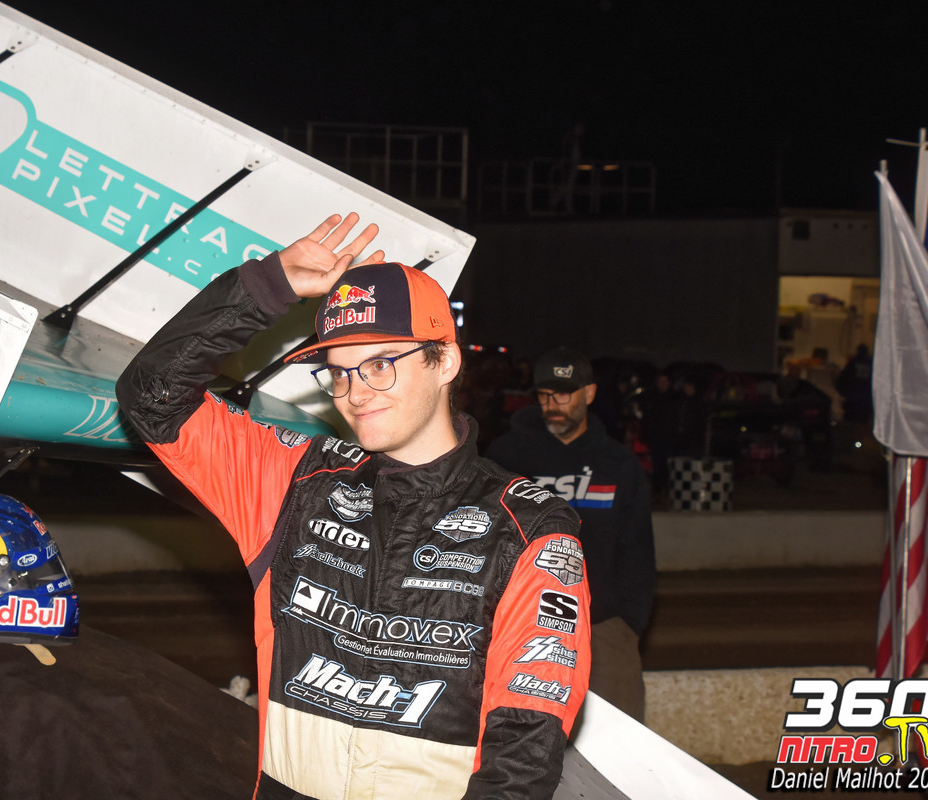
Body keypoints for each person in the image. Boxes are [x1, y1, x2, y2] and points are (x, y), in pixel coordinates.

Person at [117, 213, 590, 799]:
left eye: (380, 364)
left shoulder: (530, 529)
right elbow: (152, 395)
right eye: (338, 373)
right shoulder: (295, 480)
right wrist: (266, 286)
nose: (355, 392)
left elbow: (522, 750)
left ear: (445, 361)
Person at [486, 346, 655, 722]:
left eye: (563, 394)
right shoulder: (506, 458)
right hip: (521, 624)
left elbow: (638, 551)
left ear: (589, 394)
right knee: (523, 733)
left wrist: (627, 623)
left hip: (603, 626)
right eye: (545, 395)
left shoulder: (619, 465)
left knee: (618, 737)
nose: (553, 405)